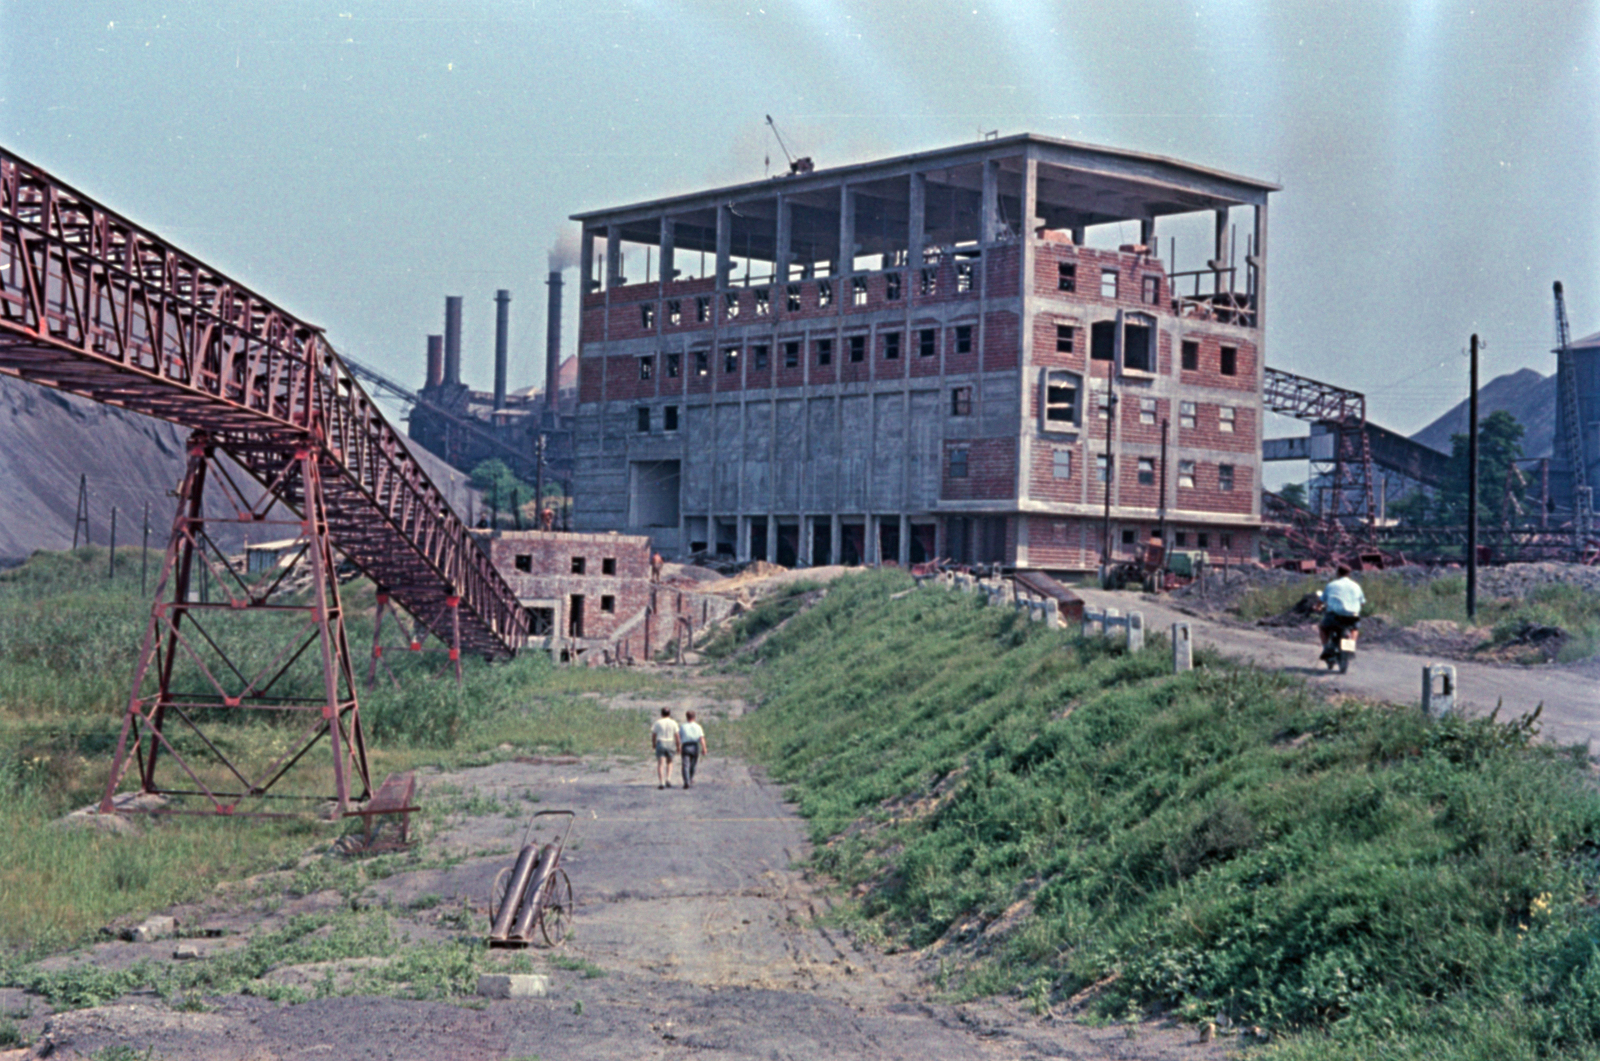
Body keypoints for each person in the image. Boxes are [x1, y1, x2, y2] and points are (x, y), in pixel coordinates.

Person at [1317, 564, 1366, 661]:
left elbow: (1321, 600)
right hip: (1352, 615)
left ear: (1338, 573)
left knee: (1323, 627)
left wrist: (1318, 607)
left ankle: (1326, 648)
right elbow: (1362, 603)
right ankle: (1351, 646)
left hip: (1335, 615)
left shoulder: (1331, 585)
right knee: (1354, 628)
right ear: (1349, 574)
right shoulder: (1356, 586)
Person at [650, 708, 680, 789]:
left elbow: (654, 735)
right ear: (669, 714)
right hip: (670, 742)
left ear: (661, 714)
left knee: (660, 763)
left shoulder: (658, 722)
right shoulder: (673, 723)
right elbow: (677, 735)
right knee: (669, 762)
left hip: (661, 742)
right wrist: (678, 746)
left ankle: (661, 782)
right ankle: (668, 779)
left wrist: (653, 744)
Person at [677, 710, 707, 789]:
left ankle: (686, 781)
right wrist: (704, 747)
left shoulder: (683, 726)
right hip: (694, 746)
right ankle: (690, 778)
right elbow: (701, 738)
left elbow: (679, 737)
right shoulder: (698, 726)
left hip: (686, 746)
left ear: (687, 717)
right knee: (693, 764)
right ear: (694, 717)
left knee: (685, 765)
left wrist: (679, 746)